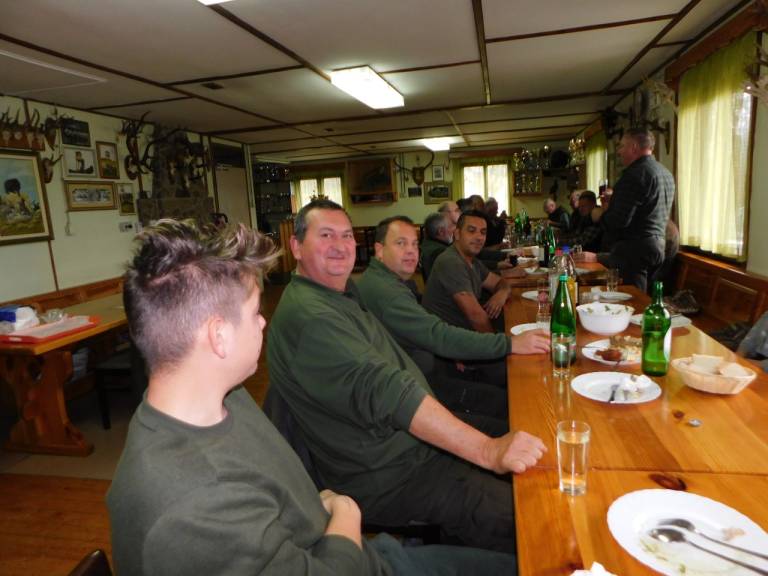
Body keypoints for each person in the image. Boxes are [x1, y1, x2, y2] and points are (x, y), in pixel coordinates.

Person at [107, 219, 515, 576]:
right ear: (218, 336)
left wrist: (321, 507)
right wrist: (345, 514)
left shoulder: (224, 398)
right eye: (254, 312)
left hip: (353, 547)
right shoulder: (192, 506)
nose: (264, 322)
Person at [267, 199, 546, 552]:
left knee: (526, 456)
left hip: (404, 444)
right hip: (387, 472)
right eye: (326, 235)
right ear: (296, 247)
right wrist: (488, 451)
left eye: (347, 235)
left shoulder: (339, 294)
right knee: (530, 514)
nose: (340, 245)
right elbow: (387, 390)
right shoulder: (312, 317)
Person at [358, 216, 548, 433]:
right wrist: (510, 344)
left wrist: (450, 351)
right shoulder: (387, 293)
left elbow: (429, 331)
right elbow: (439, 334)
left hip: (429, 370)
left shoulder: (387, 281)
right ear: (379, 250)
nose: (411, 251)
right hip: (415, 392)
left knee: (508, 398)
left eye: (414, 244)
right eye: (401, 243)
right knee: (516, 407)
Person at [575, 128, 675, 291]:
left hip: (634, 250)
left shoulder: (634, 175)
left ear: (633, 147)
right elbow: (646, 210)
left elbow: (618, 222)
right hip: (659, 247)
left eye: (621, 146)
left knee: (632, 299)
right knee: (643, 297)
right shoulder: (666, 173)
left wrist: (600, 215)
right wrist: (615, 201)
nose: (619, 151)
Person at [423, 209, 514, 335]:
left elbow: (500, 282)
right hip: (448, 340)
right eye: (471, 231)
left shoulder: (472, 261)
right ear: (457, 234)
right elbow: (475, 317)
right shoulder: (451, 262)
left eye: (483, 232)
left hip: (465, 333)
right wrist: (499, 343)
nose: (479, 237)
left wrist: (502, 293)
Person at [420, 212, 454, 282]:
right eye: (450, 226)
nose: (454, 229)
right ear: (441, 232)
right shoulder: (440, 252)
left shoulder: (426, 244)